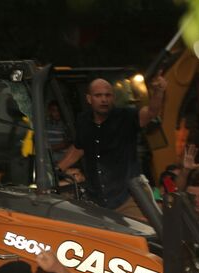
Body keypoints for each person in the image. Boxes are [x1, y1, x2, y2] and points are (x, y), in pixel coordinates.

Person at [57, 75, 167, 220]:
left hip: (128, 198)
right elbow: (78, 148)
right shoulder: (83, 120)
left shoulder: (126, 117)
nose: (104, 99)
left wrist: (158, 92)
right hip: (96, 200)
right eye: (98, 95)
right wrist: (56, 171)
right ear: (89, 99)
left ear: (113, 98)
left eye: (107, 95)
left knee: (145, 237)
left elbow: (151, 112)